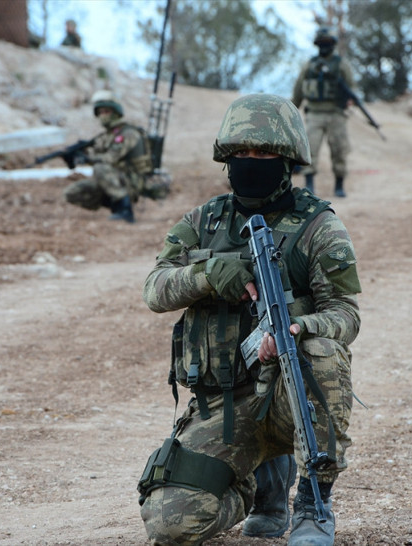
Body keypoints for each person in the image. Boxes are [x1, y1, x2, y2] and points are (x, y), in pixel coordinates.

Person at [137, 93, 361, 546]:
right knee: (170, 523)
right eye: (241, 153)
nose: (250, 162)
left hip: (288, 393)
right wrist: (204, 274)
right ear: (226, 158)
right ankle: (259, 486)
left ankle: (313, 504)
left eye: (263, 153)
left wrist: (301, 329)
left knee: (321, 354)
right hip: (221, 408)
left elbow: (345, 314)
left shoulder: (317, 226)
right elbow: (154, 290)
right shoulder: (203, 222)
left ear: (287, 160)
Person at [63, 90, 152, 223]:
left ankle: (125, 210)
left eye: (106, 112)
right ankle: (116, 206)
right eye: (100, 113)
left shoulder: (128, 133)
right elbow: (97, 154)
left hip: (132, 181)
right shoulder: (105, 136)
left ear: (116, 112)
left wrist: (87, 158)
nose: (103, 116)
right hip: (113, 181)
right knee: (72, 192)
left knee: (100, 168)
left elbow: (110, 158)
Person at [291, 26, 357, 199]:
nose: (324, 46)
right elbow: (299, 88)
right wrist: (292, 108)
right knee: (310, 149)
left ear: (333, 44)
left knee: (339, 150)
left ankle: (339, 185)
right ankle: (309, 186)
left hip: (336, 113)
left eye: (327, 43)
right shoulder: (310, 65)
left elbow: (352, 87)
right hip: (314, 113)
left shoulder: (341, 64)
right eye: (321, 43)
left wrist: (351, 100)